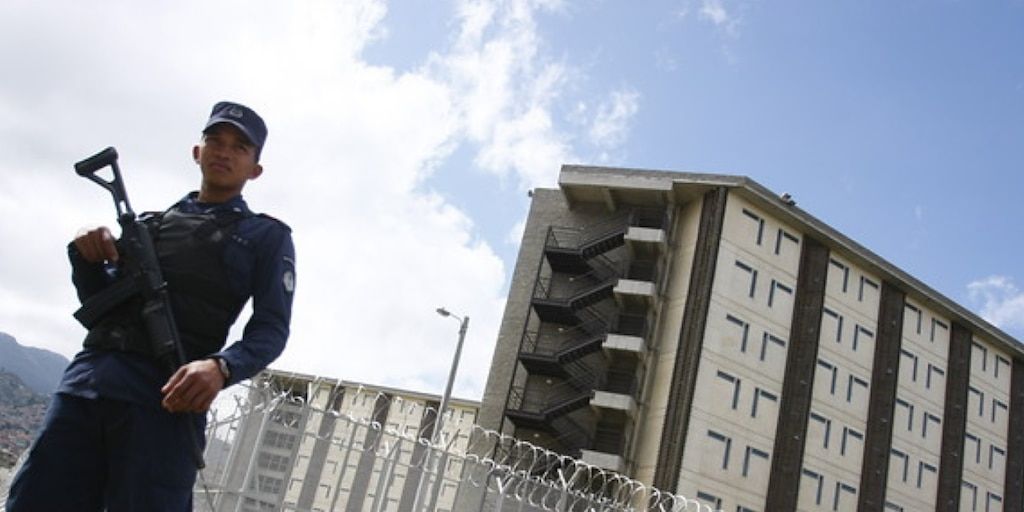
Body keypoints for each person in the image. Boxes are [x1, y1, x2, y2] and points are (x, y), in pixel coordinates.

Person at [5, 101, 296, 511]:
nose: (224, 152)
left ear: (255, 169)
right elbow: (101, 306)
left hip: (165, 398)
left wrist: (221, 367)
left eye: (239, 147)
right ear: (197, 151)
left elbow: (271, 330)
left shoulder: (264, 237)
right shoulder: (147, 225)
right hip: (87, 386)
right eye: (215, 141)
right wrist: (85, 253)